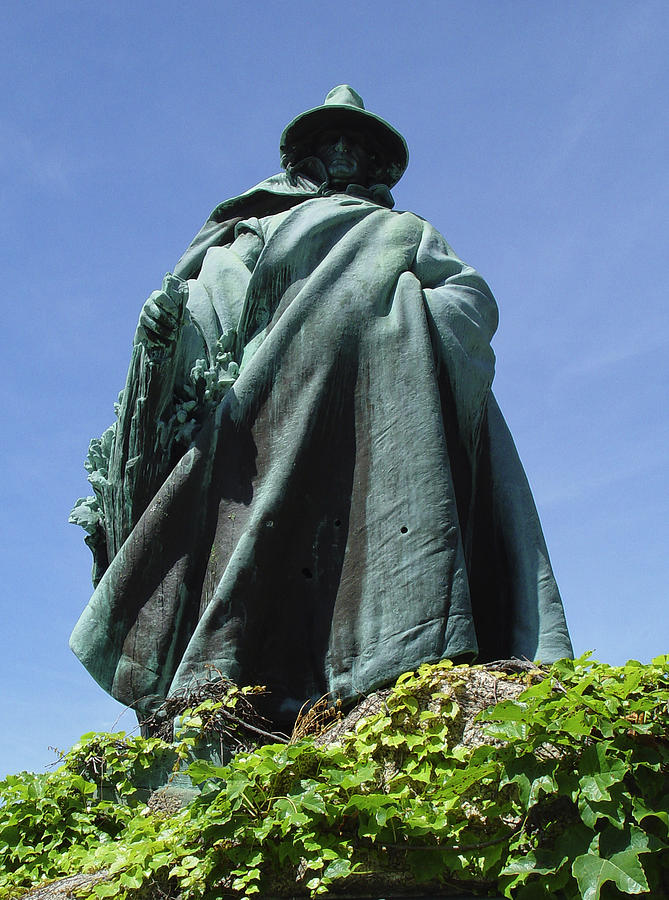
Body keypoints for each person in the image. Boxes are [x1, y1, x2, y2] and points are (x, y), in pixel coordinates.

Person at [70, 86, 573, 726]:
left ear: (371, 163)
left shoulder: (403, 231)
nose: (343, 151)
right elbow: (215, 293)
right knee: (252, 505)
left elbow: (469, 295)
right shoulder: (258, 226)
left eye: (356, 144)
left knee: (387, 497)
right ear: (307, 156)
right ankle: (247, 679)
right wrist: (172, 330)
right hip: (274, 392)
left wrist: (406, 322)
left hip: (388, 386)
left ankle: (385, 653)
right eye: (332, 140)